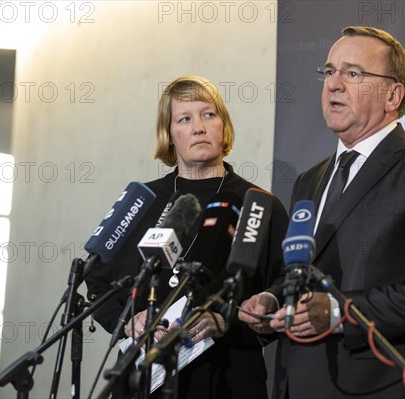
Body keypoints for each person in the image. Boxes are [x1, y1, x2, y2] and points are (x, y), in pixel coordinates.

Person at [239, 26, 405, 398]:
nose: (334, 84)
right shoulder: (309, 179)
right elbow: (302, 273)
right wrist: (272, 300)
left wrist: (339, 313)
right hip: (295, 384)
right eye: (329, 71)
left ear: (393, 94)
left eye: (352, 73)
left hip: (377, 386)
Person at [85, 75, 288, 398]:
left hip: (230, 378)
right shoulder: (143, 202)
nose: (198, 127)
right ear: (169, 135)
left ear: (224, 127)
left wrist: (227, 321)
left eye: (209, 114)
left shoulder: (260, 204)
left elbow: (284, 290)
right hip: (148, 380)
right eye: (184, 118)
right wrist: (128, 322)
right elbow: (98, 284)